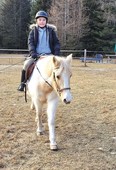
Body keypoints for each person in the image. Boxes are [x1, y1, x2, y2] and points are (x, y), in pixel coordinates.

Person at [18, 10, 60, 91]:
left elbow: (56, 43)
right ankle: (22, 84)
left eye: (43, 20)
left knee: (59, 68)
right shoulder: (33, 32)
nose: (41, 22)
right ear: (36, 21)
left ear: (46, 21)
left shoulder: (51, 31)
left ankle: (59, 86)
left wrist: (56, 53)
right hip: (37, 55)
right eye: (40, 20)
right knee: (26, 64)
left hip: (49, 55)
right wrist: (33, 53)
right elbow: (30, 43)